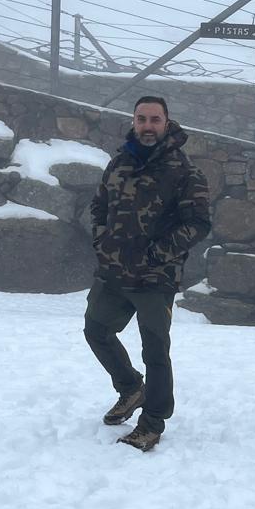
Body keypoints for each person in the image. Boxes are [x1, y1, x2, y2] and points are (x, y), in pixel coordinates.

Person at [85, 95, 212, 451]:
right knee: (96, 330)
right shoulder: (118, 163)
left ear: (167, 122)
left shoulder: (185, 172)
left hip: (156, 278)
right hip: (113, 272)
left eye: (155, 119)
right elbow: (98, 207)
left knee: (155, 350)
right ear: (134, 121)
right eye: (142, 119)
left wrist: (159, 253)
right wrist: (102, 241)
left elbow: (198, 223)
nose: (148, 126)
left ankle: (152, 421)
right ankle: (130, 388)